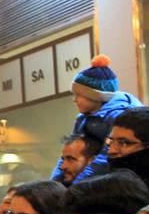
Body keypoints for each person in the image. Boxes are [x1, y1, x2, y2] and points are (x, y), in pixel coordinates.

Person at [50, 54, 141, 184]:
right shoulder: (83, 118)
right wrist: (53, 185)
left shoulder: (119, 117)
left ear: (97, 97)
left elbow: (105, 157)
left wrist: (78, 186)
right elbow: (69, 150)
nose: (74, 99)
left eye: (79, 95)